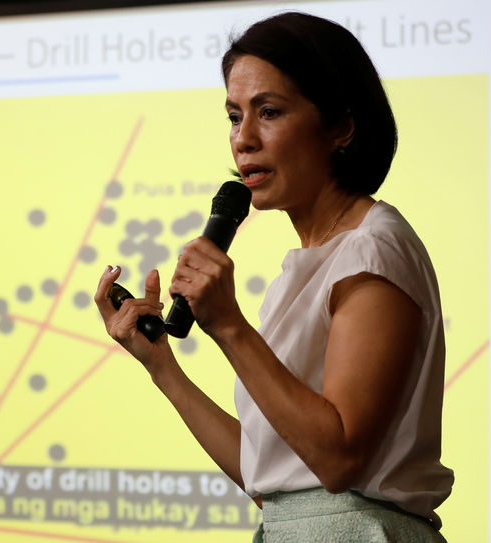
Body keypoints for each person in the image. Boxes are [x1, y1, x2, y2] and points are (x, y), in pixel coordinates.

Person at [95, 11, 453, 542]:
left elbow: (338, 460)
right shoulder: (300, 270)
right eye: (234, 117)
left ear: (341, 127)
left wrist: (232, 327)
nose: (244, 139)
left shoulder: (374, 249)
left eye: (269, 111)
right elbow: (270, 480)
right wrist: (162, 368)